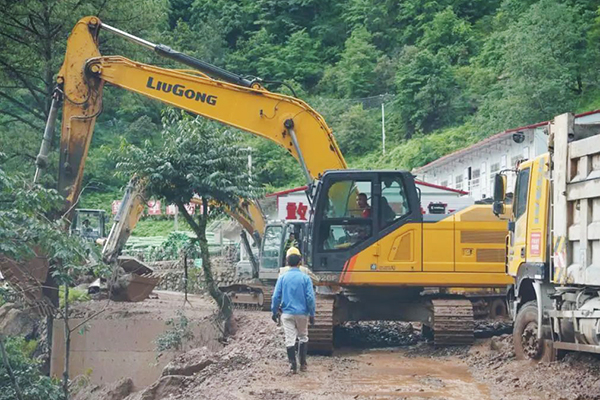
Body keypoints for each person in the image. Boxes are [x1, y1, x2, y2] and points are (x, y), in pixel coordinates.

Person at [271, 247, 316, 374]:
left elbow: (275, 297)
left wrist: (274, 312)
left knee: (289, 338)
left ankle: (292, 365)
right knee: (303, 336)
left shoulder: (282, 278)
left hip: (287, 313)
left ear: (286, 262)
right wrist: (312, 314)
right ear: (300, 262)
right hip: (302, 313)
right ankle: (303, 363)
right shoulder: (305, 278)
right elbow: (310, 298)